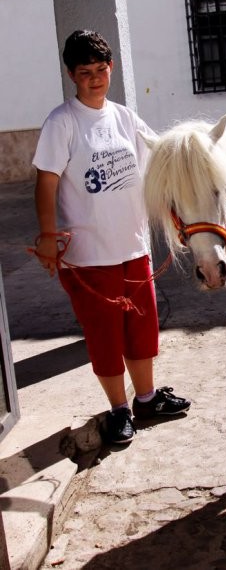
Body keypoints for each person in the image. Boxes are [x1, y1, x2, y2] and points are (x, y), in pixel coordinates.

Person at [32, 29, 190, 445]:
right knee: (105, 337)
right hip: (88, 254)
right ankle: (119, 410)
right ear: (71, 76)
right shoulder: (61, 123)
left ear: (111, 69)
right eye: (86, 73)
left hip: (133, 246)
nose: (95, 79)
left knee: (142, 330)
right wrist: (48, 236)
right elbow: (46, 182)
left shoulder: (124, 117)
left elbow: (155, 168)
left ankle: (147, 398)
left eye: (101, 70)